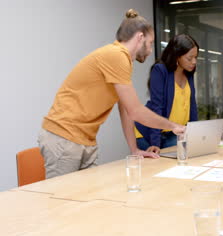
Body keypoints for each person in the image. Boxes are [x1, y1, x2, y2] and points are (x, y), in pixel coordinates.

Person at [38, 9, 185, 179]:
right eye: (150, 43)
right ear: (140, 37)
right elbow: (136, 111)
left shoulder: (122, 60)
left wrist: (134, 149)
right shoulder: (116, 56)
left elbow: (126, 110)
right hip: (64, 138)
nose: (151, 50)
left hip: (85, 140)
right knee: (62, 203)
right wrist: (174, 126)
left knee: (86, 200)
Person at [135, 34, 199, 153]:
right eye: (189, 58)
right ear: (177, 56)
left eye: (196, 57)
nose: (194, 62)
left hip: (174, 133)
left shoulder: (188, 73)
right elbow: (156, 107)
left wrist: (195, 135)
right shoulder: (160, 70)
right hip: (150, 134)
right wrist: (155, 144)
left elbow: (192, 107)